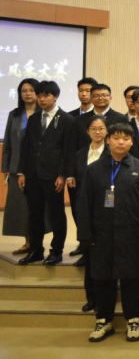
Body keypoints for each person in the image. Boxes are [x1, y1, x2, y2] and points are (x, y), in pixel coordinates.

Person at [77, 123, 139, 343]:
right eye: (117, 137)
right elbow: (84, 204)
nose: (121, 142)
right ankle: (104, 320)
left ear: (132, 142)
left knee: (132, 278)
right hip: (100, 235)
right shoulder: (93, 169)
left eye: (126, 138)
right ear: (108, 140)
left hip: (133, 235)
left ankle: (133, 319)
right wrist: (85, 235)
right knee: (102, 279)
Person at [17, 80, 75, 266]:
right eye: (39, 95)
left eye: (46, 95)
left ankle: (56, 251)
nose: (41, 99)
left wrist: (62, 175)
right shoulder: (34, 118)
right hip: (32, 174)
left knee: (56, 214)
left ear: (55, 97)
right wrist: (21, 172)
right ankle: (36, 250)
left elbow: (68, 150)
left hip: (53, 176)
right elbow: (26, 147)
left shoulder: (67, 119)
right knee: (34, 214)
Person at [67, 115, 109, 309]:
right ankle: (91, 297)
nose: (97, 132)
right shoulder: (79, 154)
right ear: (88, 132)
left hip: (106, 210)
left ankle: (105, 298)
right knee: (90, 256)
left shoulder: (112, 152)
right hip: (85, 209)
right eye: (94, 129)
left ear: (107, 131)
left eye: (101, 128)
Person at [2, 78, 40, 256]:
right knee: (21, 207)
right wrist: (6, 168)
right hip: (17, 168)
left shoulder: (44, 114)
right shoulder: (14, 115)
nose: (28, 93)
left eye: (31, 90)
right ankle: (28, 242)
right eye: (24, 91)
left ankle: (37, 243)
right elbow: (8, 143)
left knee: (37, 207)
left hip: (39, 169)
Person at [76, 84, 129, 149]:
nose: (100, 98)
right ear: (91, 98)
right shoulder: (80, 119)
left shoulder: (121, 119)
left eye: (104, 95)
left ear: (110, 98)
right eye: (96, 96)